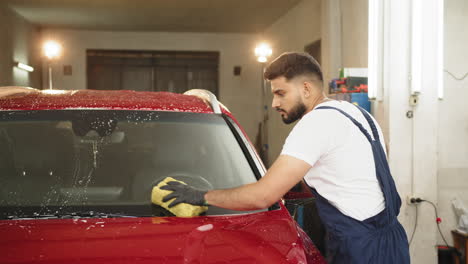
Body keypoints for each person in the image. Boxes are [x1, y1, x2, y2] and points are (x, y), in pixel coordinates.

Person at [161, 52, 410, 263]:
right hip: (393, 242)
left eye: (281, 93)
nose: (274, 103)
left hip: (360, 248)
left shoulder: (315, 124)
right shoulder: (356, 113)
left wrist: (200, 195)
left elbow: (264, 195)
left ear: (306, 88)